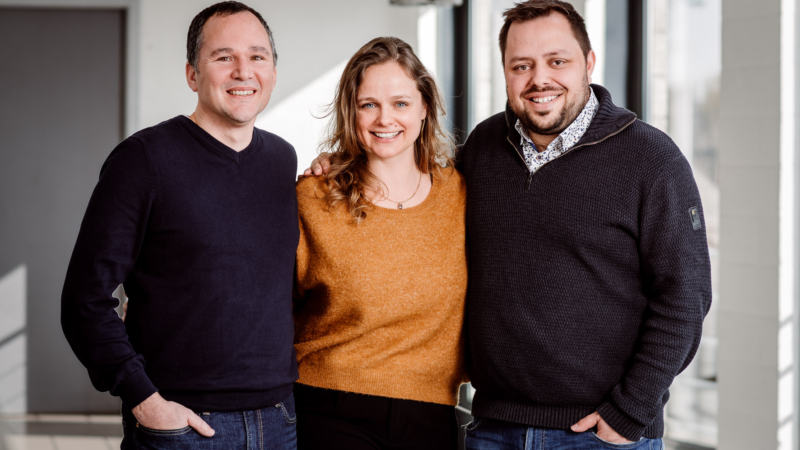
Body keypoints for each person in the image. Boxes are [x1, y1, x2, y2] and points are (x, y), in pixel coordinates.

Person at [304, 1, 712, 448]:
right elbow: (407, 188)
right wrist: (339, 165)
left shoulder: (651, 159)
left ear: (589, 63)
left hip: (597, 434)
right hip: (493, 427)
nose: (540, 79)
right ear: (505, 71)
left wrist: (632, 409)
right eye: (522, 65)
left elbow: (685, 297)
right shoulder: (483, 148)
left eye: (558, 61)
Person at [60, 2, 299, 449]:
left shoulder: (283, 160)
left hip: (280, 421)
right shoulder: (144, 160)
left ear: (273, 70)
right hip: (181, 424)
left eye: (258, 56)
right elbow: (84, 300)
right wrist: (145, 400)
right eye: (223, 57)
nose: (243, 71)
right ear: (192, 74)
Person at [292, 36, 467, 450]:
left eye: (401, 103)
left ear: (426, 107)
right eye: (368, 104)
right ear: (351, 112)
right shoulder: (314, 197)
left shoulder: (462, 195)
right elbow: (270, 306)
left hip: (433, 414)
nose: (384, 118)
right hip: (328, 407)